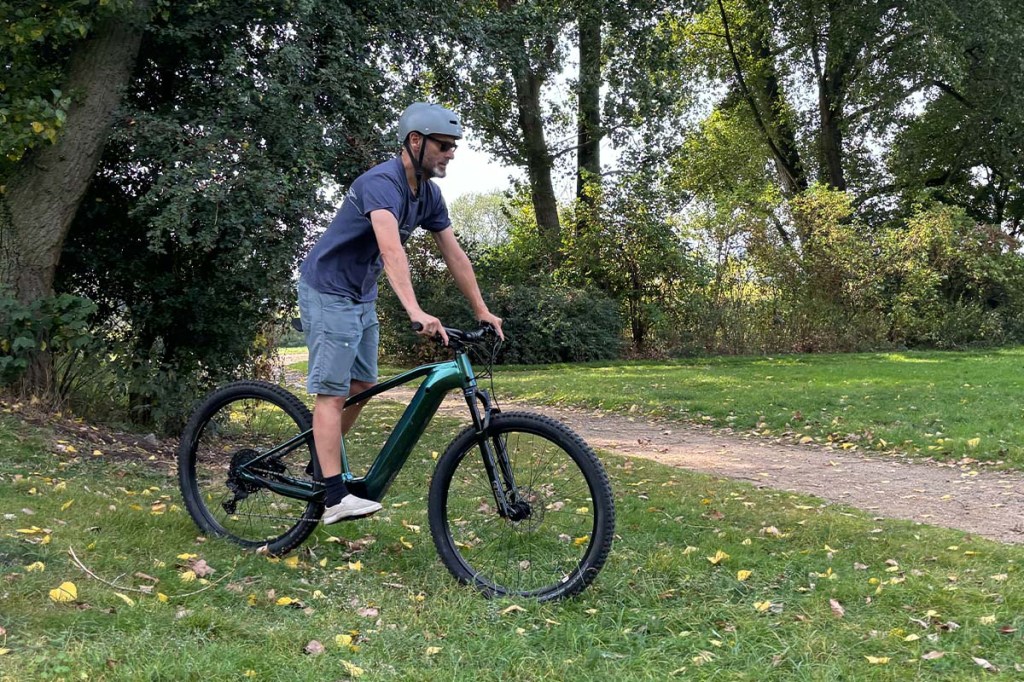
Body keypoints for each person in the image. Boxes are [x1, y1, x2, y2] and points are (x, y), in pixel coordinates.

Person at [297, 102, 504, 524]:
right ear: (415, 141)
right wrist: (414, 309)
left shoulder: (428, 194)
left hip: (360, 294)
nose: (451, 153)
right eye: (443, 145)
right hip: (328, 289)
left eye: (454, 147)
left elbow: (455, 254)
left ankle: (320, 465)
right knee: (333, 392)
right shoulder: (381, 183)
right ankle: (333, 497)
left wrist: (483, 311)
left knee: (363, 382)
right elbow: (391, 249)